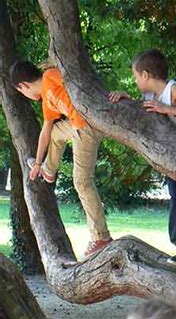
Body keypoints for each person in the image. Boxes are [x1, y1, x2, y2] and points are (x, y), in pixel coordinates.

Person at [109, 49, 176, 270]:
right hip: (172, 158)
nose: (135, 80)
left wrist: (167, 108)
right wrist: (127, 98)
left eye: (135, 75)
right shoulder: (149, 97)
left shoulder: (173, 89)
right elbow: (146, 111)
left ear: (146, 75)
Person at [9, 61, 112, 258]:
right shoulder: (47, 102)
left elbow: (77, 79)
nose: (26, 96)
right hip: (75, 127)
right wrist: (38, 164)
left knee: (82, 182)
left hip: (86, 127)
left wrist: (59, 63)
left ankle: (101, 236)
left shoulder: (50, 76)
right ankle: (49, 170)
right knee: (56, 131)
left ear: (23, 86)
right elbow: (46, 132)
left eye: (22, 92)